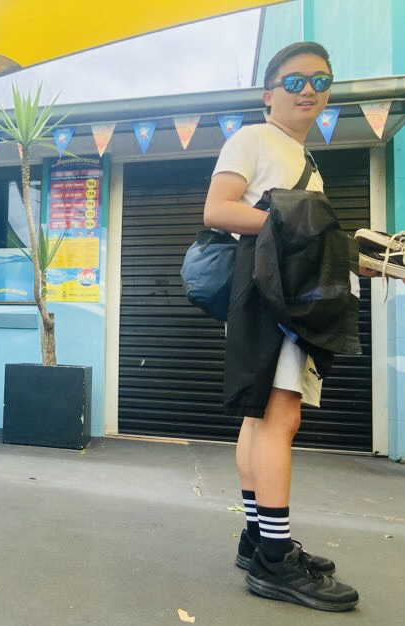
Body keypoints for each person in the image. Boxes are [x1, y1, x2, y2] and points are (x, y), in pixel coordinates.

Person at [203, 42, 360, 611]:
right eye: (295, 81)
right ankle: (275, 561)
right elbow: (218, 210)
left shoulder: (303, 155)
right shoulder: (254, 138)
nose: (310, 90)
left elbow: (307, 238)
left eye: (322, 79)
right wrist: (304, 232)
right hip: (272, 300)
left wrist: (361, 255)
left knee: (259, 418)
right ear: (268, 95)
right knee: (279, 417)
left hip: (281, 298)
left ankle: (257, 539)